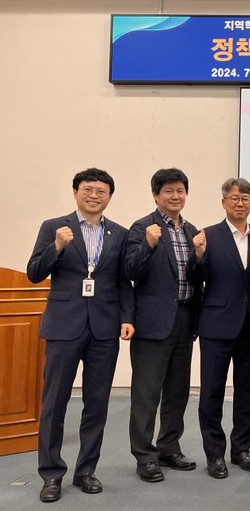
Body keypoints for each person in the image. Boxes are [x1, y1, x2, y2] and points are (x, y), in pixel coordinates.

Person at [27, 168, 134, 503]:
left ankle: (86, 470)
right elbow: (34, 273)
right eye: (88, 189)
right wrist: (57, 247)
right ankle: (51, 473)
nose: (94, 196)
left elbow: (122, 281)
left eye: (102, 191)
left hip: (104, 327)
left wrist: (127, 318)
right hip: (64, 325)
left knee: (97, 403)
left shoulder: (119, 233)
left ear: (109, 197)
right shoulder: (53, 227)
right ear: (75, 192)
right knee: (54, 402)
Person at [188, 178, 250, 479]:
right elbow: (195, 279)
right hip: (217, 324)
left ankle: (241, 449)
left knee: (248, 392)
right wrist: (197, 256)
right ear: (223, 202)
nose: (240, 203)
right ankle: (215, 454)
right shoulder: (208, 235)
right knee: (212, 393)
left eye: (245, 198)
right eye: (234, 198)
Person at [125, 168, 200, 483]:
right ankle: (145, 456)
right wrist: (148, 244)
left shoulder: (192, 230)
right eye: (168, 190)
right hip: (152, 323)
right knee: (147, 393)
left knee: (177, 391)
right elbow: (128, 271)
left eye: (180, 190)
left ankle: (169, 446)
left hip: (185, 319)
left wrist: (201, 256)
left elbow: (196, 276)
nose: (175, 196)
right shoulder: (142, 227)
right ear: (156, 195)